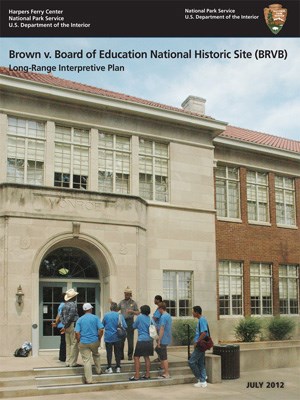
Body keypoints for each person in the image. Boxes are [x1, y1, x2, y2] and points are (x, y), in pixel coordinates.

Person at [75, 303, 104, 384]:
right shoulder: (95, 318)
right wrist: (99, 338)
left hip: (83, 341)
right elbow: (101, 329)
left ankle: (89, 379)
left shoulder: (80, 319)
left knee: (86, 360)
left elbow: (77, 332)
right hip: (94, 340)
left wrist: (78, 341)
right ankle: (98, 370)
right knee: (96, 354)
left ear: (84, 310)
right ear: (90, 309)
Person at [129, 305, 153, 381]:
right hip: (149, 340)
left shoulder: (139, 317)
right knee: (146, 357)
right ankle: (147, 374)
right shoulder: (150, 319)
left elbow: (134, 326)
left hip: (141, 340)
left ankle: (136, 375)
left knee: (136, 357)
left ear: (142, 311)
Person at [102, 302, 127, 374]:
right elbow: (124, 326)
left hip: (108, 337)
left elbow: (102, 325)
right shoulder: (120, 316)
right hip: (118, 336)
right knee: (118, 352)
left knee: (109, 352)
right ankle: (118, 367)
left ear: (110, 308)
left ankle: (109, 367)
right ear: (116, 308)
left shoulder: (106, 315)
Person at [188, 305, 208, 388]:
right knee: (200, 363)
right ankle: (203, 380)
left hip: (200, 345)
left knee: (191, 362)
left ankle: (201, 379)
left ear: (196, 312)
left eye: (193, 311)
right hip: (201, 344)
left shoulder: (202, 320)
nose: (192, 313)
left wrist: (197, 341)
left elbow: (204, 332)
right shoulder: (201, 320)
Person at [117, 286, 139, 361]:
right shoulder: (121, 302)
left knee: (130, 340)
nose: (126, 295)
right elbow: (116, 309)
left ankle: (130, 355)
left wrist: (132, 311)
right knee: (121, 339)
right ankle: (121, 355)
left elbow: (138, 312)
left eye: (127, 294)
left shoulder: (133, 303)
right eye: (125, 293)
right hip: (122, 322)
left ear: (130, 294)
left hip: (130, 322)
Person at [60, 288, 80, 367]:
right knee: (74, 344)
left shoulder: (65, 305)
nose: (76, 297)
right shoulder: (73, 304)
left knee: (68, 344)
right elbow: (71, 316)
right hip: (72, 325)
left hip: (67, 326)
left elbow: (61, 315)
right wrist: (67, 323)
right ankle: (72, 362)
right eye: (75, 296)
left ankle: (68, 361)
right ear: (73, 297)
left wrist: (64, 324)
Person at [155, 302, 172, 379]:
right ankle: (162, 366)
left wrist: (159, 340)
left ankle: (166, 373)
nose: (158, 310)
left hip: (163, 338)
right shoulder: (168, 315)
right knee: (158, 350)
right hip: (167, 338)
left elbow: (162, 328)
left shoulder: (163, 317)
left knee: (164, 356)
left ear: (161, 308)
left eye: (158, 308)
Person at [51, 293, 66, 362]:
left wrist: (56, 323)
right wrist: (56, 323)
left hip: (61, 325)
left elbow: (58, 315)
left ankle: (62, 357)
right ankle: (63, 357)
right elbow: (59, 315)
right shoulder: (63, 305)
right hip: (63, 326)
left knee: (63, 342)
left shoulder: (61, 305)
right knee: (64, 342)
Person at [152, 295, 162, 362]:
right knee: (158, 343)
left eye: (155, 299)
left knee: (159, 344)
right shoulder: (159, 308)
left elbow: (155, 318)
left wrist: (150, 320)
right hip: (158, 328)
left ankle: (161, 358)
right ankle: (160, 357)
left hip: (159, 328)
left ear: (158, 300)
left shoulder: (159, 308)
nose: (154, 301)